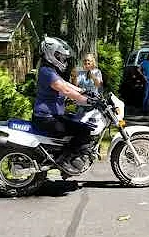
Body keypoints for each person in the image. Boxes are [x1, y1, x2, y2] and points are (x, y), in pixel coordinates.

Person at [32, 36, 99, 174]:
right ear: (52, 54)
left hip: (52, 115)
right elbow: (65, 90)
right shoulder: (46, 72)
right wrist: (86, 100)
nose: (63, 60)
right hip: (47, 118)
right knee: (83, 130)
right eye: (60, 56)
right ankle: (65, 161)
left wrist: (85, 91)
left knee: (79, 123)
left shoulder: (49, 70)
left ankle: (72, 157)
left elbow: (65, 84)